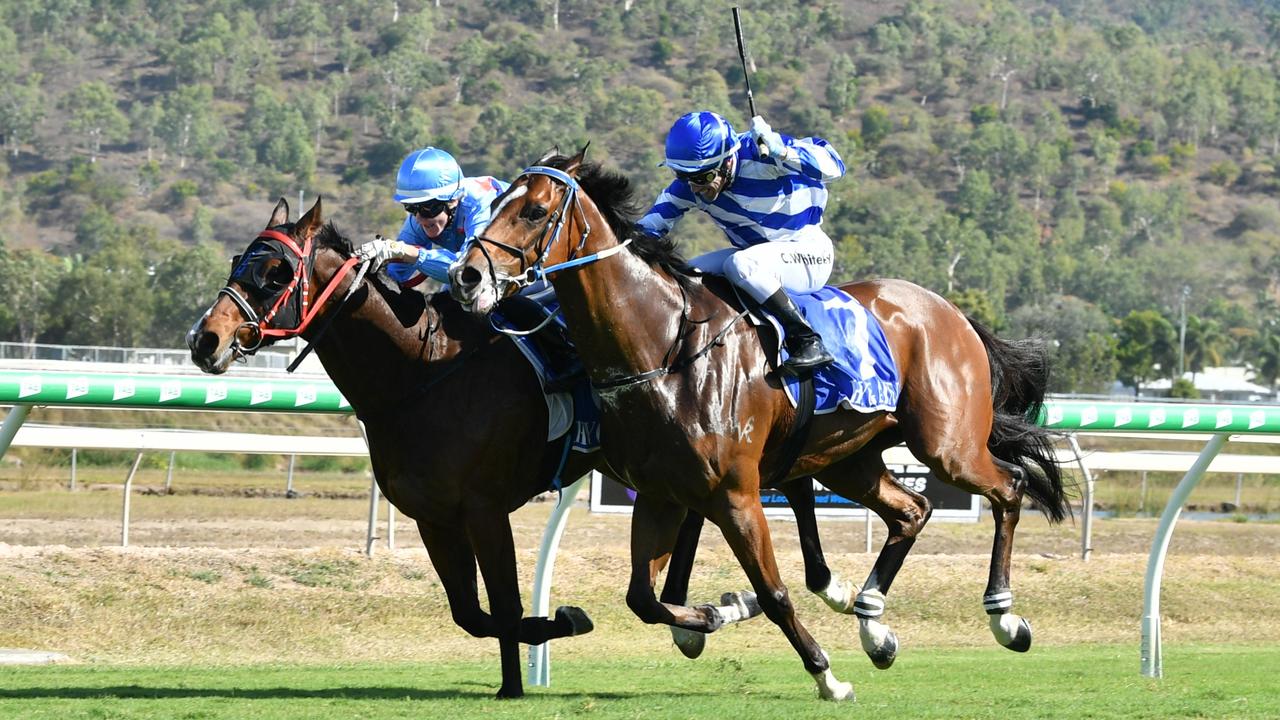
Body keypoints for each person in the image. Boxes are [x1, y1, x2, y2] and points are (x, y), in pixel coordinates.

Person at [637, 111, 846, 375]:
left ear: (726, 163)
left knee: (740, 264)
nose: (694, 187)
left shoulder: (764, 153)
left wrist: (781, 151)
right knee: (684, 275)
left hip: (807, 252)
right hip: (755, 256)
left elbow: (835, 167)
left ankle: (807, 341)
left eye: (701, 177)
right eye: (682, 175)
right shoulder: (690, 186)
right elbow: (648, 229)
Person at [356, 147, 509, 286]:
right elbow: (394, 273)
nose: (419, 218)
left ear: (453, 200)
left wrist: (404, 251)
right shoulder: (419, 218)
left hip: (517, 273)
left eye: (427, 208)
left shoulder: (480, 204)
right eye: (410, 208)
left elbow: (469, 271)